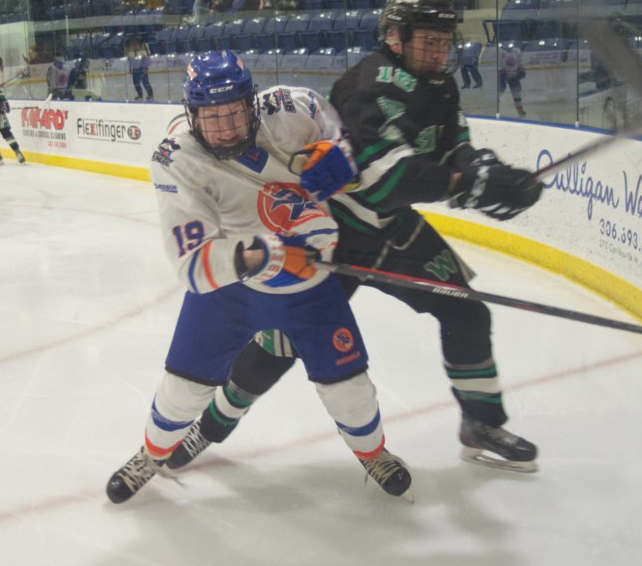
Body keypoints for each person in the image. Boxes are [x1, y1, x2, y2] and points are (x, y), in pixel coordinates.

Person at [169, 0, 543, 474]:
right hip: (335, 235)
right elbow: (386, 181)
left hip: (394, 231)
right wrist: (466, 184)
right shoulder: (368, 86)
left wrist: (491, 172)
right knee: (280, 344)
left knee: (466, 312)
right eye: (427, 41)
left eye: (444, 42)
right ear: (394, 37)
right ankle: (211, 426)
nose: (438, 52)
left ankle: (481, 422)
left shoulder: (439, 87)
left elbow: (455, 149)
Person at [105, 50, 412, 504]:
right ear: (192, 114)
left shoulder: (293, 107)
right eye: (212, 117)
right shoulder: (177, 157)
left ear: (252, 102)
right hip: (232, 289)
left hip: (311, 283)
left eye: (234, 112)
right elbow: (191, 265)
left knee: (350, 389)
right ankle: (150, 456)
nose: (226, 127)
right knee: (183, 389)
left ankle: (374, 453)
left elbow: (349, 137)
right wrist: (268, 252)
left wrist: (342, 155)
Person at [499, 42, 527, 118]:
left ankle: (520, 110)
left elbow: (519, 63)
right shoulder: (499, 51)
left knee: (517, 94)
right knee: (499, 93)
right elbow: (499, 65)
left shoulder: (516, 51)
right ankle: (495, 110)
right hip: (502, 76)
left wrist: (521, 71)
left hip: (514, 76)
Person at [125, 37, 153, 101]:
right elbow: (129, 61)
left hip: (142, 69)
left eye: (136, 45)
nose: (135, 46)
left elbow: (147, 60)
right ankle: (140, 94)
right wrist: (130, 68)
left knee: (145, 82)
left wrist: (145, 68)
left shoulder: (143, 52)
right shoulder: (130, 53)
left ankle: (150, 94)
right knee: (136, 83)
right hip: (135, 70)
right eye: (133, 45)